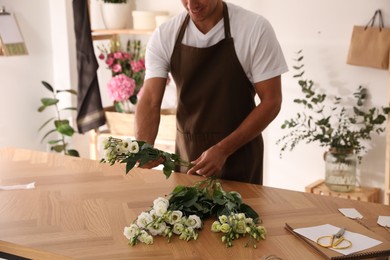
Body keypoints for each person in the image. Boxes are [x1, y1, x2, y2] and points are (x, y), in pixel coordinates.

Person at [134, 0, 288, 185]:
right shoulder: (165, 35)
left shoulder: (254, 28)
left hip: (240, 158)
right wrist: (144, 147)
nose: (191, 5)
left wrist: (223, 149)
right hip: (188, 159)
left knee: (240, 214)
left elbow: (271, 101)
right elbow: (150, 99)